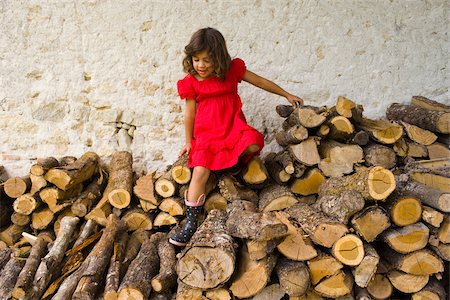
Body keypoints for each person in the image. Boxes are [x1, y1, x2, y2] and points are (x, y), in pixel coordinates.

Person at [169, 27, 304, 246]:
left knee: (252, 143)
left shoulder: (232, 70)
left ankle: (230, 167)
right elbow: (190, 114)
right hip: (206, 133)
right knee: (200, 171)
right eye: (196, 60)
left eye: (206, 60)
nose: (200, 65)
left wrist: (286, 94)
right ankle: (190, 223)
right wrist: (189, 141)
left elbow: (260, 82)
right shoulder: (191, 82)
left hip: (231, 126)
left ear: (219, 57)